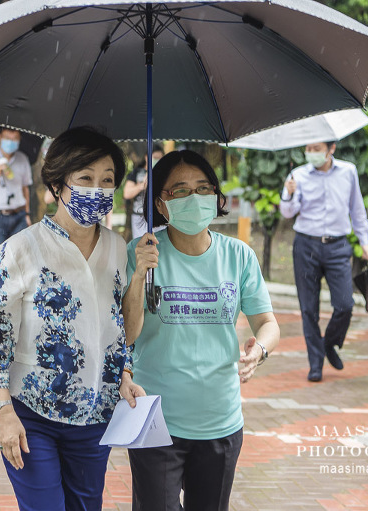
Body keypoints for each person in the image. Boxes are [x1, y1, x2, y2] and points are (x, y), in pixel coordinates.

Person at [0, 126, 144, 511]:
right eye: (85, 179)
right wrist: (3, 412)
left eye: (107, 181)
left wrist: (125, 374)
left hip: (95, 415)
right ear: (56, 184)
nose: (98, 190)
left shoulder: (119, 248)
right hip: (31, 414)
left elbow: (118, 329)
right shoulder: (17, 251)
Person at [123, 149, 280, 511]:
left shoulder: (238, 256)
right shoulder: (141, 253)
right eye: (179, 190)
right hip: (154, 418)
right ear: (161, 205)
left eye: (202, 187)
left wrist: (260, 350)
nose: (193, 197)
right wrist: (138, 276)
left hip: (220, 420)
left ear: (216, 196)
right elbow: (127, 335)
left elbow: (267, 323)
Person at [279, 141, 368, 382]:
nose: (311, 153)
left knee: (345, 305)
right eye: (308, 149)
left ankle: (329, 343)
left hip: (338, 246)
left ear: (331, 148)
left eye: (316, 148)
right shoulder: (297, 175)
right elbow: (287, 212)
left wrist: (364, 241)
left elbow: (357, 209)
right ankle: (315, 363)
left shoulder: (348, 172)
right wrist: (289, 194)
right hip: (306, 246)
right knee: (308, 309)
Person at [123, 144, 164, 239]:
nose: (157, 160)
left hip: (160, 217)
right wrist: (142, 185)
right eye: (155, 158)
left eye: (160, 158)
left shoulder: (164, 174)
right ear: (147, 157)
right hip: (140, 216)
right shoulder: (136, 173)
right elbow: (127, 193)